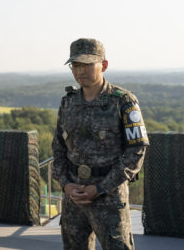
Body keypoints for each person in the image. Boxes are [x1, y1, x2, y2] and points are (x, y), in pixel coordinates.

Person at [52, 38, 149, 249]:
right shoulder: (67, 102)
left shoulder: (123, 101)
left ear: (103, 65)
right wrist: (66, 185)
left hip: (110, 198)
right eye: (75, 65)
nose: (80, 71)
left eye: (87, 64)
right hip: (74, 198)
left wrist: (100, 188)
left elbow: (136, 151)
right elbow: (58, 150)